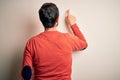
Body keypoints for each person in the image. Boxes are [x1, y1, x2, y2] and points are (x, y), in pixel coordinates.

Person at [21, 2, 88, 80]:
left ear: (41, 20)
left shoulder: (32, 42)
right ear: (57, 19)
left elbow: (26, 73)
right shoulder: (68, 38)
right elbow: (84, 45)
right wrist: (72, 24)